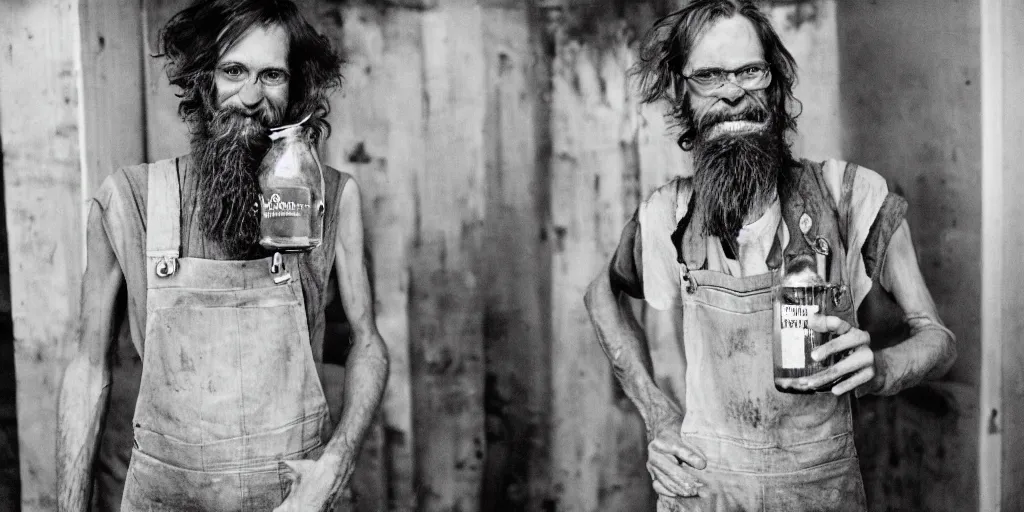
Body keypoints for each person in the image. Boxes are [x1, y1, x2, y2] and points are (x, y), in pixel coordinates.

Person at [583, 1, 956, 510]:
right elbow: (601, 294)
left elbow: (938, 339)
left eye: (750, 72)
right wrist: (659, 416)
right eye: (709, 76)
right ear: (681, 92)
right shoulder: (666, 214)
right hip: (705, 489)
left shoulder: (851, 197)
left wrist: (882, 369)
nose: (733, 92)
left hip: (819, 490)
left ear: (775, 84)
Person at [55, 1, 389, 510]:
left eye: (271, 75)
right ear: (202, 79)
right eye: (233, 70)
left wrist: (336, 465)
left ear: (296, 85)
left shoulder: (334, 197)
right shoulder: (129, 199)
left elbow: (367, 342)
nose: (251, 97)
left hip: (293, 498)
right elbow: (87, 367)